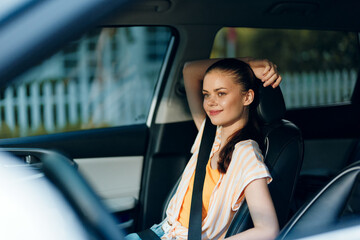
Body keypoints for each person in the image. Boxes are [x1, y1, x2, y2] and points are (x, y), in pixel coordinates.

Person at [126, 58, 282, 240]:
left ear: (247, 97)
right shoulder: (209, 134)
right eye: (207, 94)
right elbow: (189, 70)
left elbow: (268, 230)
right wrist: (250, 63)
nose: (210, 102)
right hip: (161, 231)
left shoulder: (246, 154)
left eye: (221, 93)